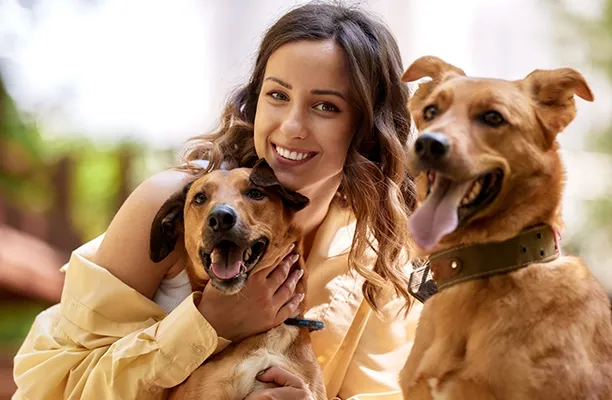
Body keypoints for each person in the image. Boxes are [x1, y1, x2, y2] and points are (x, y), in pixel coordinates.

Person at [12, 2, 423, 399]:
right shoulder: (176, 203)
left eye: (325, 106)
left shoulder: (376, 254)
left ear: (368, 128)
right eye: (277, 95)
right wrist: (207, 323)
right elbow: (57, 387)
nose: (293, 126)